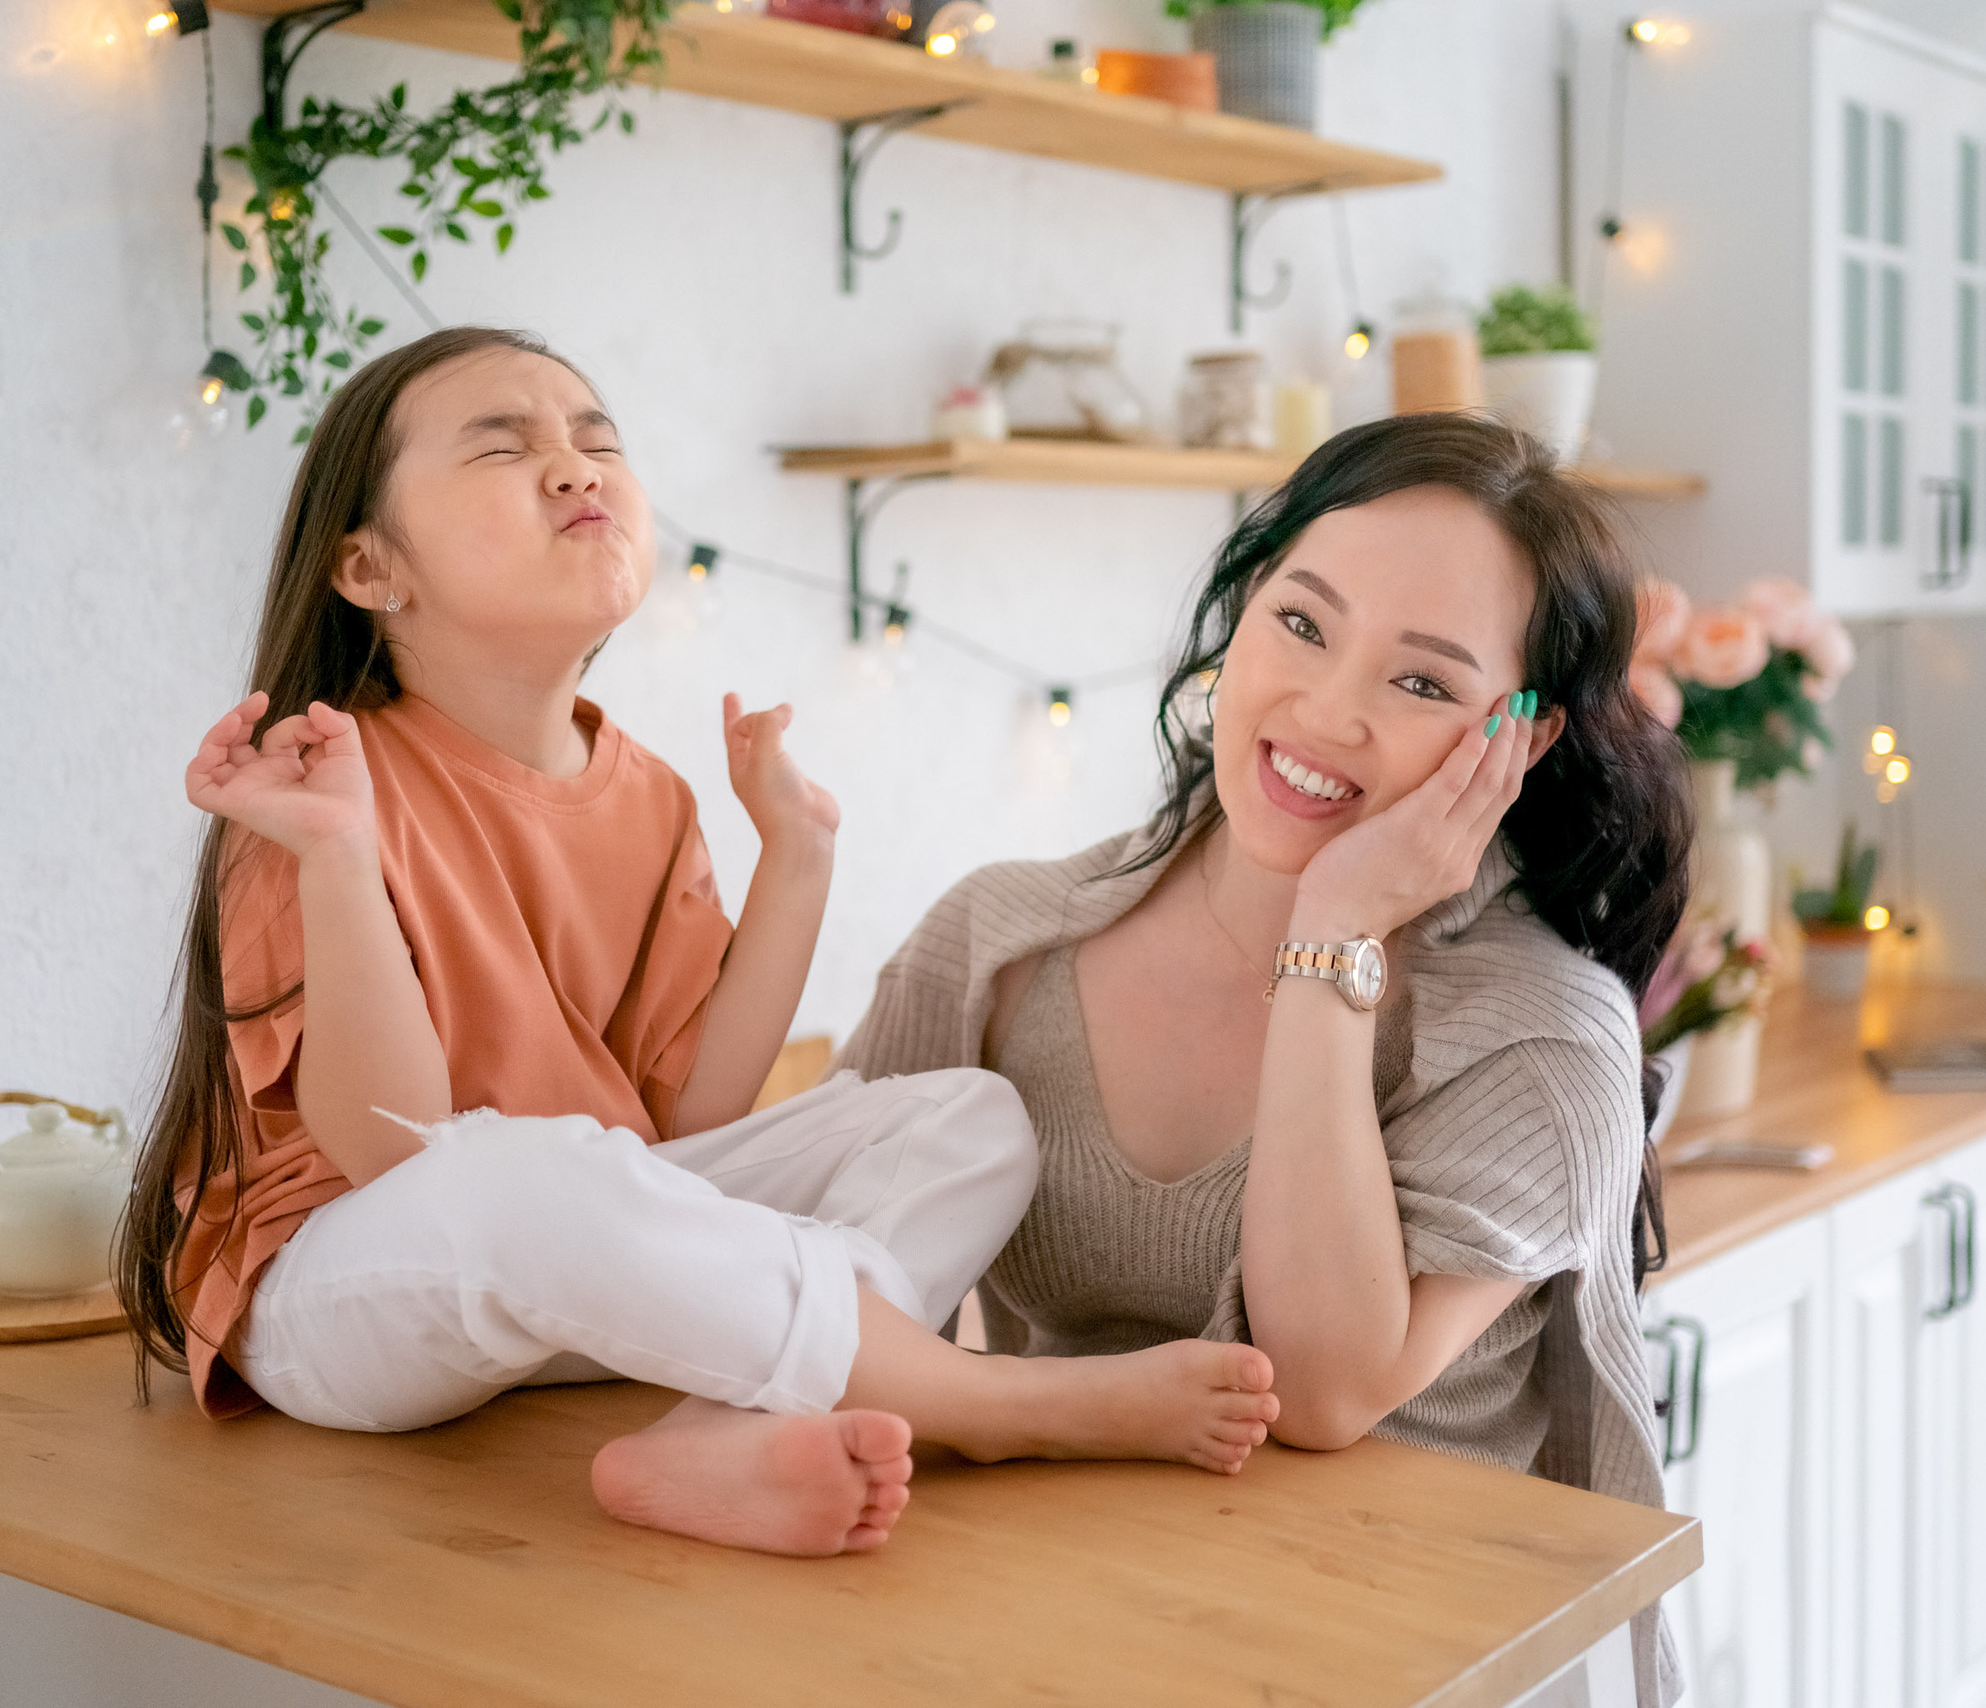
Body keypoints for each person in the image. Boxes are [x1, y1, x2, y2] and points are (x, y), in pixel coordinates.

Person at [116, 326, 1279, 1562]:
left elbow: (689, 1122)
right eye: (507, 448)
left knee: (966, 1116)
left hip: (582, 1270)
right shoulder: (316, 787)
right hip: (353, 1297)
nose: (575, 468)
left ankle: (714, 1430)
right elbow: (395, 1152)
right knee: (517, 1170)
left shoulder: (651, 796)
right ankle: (979, 1403)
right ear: (368, 565)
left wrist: (797, 859)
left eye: (596, 440)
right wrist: (340, 854)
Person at [837, 414, 1692, 1700]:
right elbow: (807, 1273)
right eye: (1301, 622)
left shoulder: (1542, 1031)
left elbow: (1323, 1388)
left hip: (1409, 1666)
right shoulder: (1002, 939)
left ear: (1517, 740)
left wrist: (1333, 936)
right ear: (1240, 611)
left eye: (1422, 683)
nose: (1327, 711)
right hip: (1062, 1644)